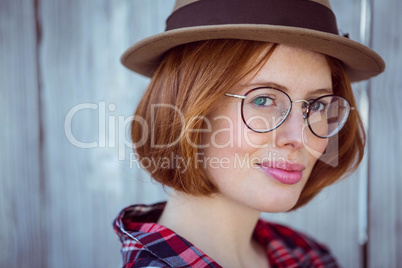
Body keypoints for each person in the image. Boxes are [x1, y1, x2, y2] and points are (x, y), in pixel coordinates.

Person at [113, 0, 385, 267]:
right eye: (263, 100)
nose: (300, 138)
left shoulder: (308, 256)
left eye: (317, 105)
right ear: (185, 107)